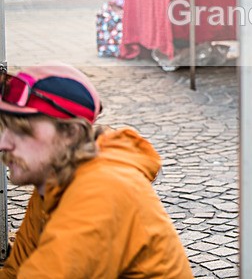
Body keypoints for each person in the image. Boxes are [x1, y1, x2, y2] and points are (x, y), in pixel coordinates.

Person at [0, 63, 193, 278]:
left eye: (22, 132)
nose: (3, 144)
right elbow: (16, 271)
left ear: (71, 134)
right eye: (4, 129)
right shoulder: (51, 181)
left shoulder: (102, 189)